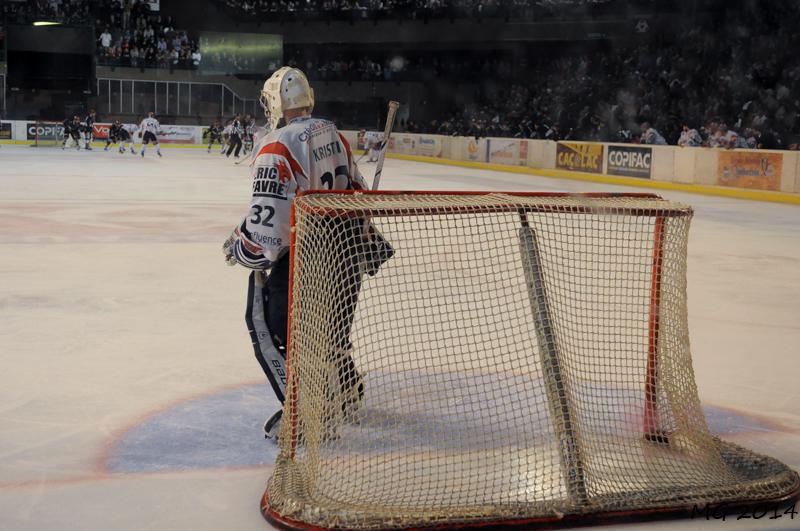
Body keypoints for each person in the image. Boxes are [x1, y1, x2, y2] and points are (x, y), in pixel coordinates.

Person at [222, 66, 392, 440]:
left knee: (267, 327)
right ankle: (348, 393)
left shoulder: (278, 144)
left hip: (306, 259)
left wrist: (241, 245)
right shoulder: (333, 132)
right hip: (345, 257)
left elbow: (270, 232)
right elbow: (357, 192)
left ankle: (306, 413)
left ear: (278, 102)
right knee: (331, 333)